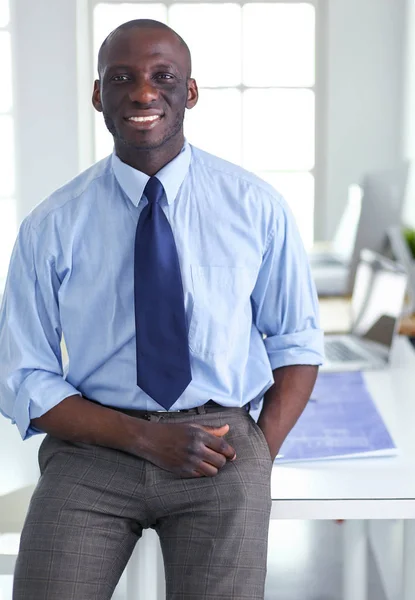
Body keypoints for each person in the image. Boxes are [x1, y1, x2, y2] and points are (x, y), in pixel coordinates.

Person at [0, 19, 324, 600]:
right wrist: (144, 440)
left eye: (162, 77)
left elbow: (295, 345)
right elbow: (22, 376)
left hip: (221, 443)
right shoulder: (51, 225)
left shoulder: (255, 207)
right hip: (93, 449)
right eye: (121, 78)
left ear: (189, 92)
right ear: (99, 94)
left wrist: (255, 456)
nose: (143, 93)